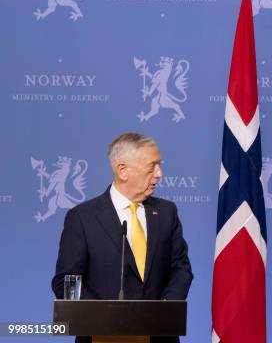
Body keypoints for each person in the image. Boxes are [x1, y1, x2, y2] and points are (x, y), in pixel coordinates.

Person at [52, 133, 193, 343]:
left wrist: (163, 309)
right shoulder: (83, 217)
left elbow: (181, 268)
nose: (159, 174)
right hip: (102, 335)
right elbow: (66, 281)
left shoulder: (166, 212)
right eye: (152, 166)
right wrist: (108, 316)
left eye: (159, 166)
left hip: (159, 335)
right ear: (123, 170)